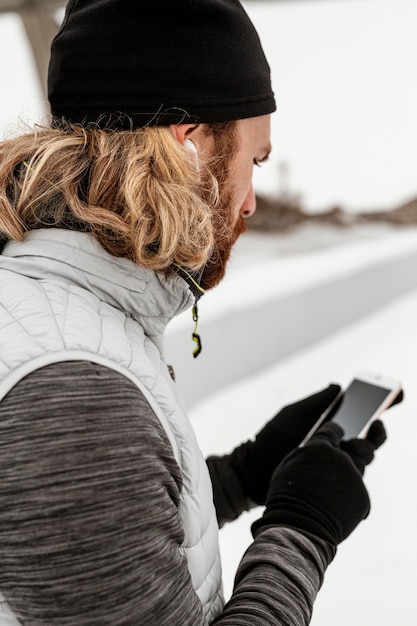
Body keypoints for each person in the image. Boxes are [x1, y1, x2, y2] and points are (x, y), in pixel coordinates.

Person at [0, 1, 390, 625]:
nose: (251, 203)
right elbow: (80, 459)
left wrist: (240, 476)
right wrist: (302, 529)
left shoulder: (54, 311)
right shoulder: (71, 387)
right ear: (188, 147)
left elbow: (102, 533)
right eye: (252, 161)